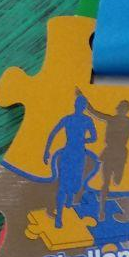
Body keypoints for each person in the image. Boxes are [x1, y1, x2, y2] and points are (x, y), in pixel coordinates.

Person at [81, 92, 129, 219]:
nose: (121, 110)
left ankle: (112, 187)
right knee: (106, 182)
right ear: (118, 109)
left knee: (117, 180)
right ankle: (102, 210)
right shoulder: (111, 119)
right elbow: (93, 111)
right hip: (109, 152)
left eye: (124, 108)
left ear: (127, 110)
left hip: (121, 154)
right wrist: (81, 96)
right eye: (120, 108)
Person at [43, 91, 98, 228]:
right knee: (63, 184)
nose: (79, 106)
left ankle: (69, 195)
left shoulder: (83, 120)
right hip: (72, 153)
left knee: (74, 184)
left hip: (75, 153)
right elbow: (53, 133)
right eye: (79, 104)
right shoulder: (74, 119)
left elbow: (94, 137)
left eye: (81, 105)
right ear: (78, 106)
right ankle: (59, 217)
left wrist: (47, 151)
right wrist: (46, 151)